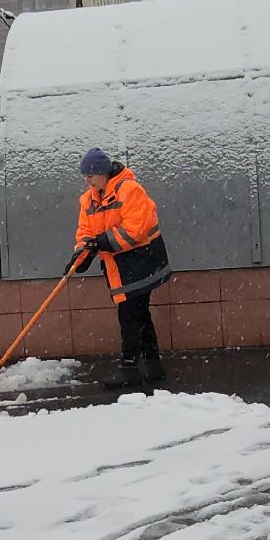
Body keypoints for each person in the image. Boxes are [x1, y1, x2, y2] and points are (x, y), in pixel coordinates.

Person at [71, 147, 173, 389]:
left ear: (104, 172)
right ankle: (152, 362)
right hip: (119, 263)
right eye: (85, 177)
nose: (87, 181)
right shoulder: (89, 199)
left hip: (141, 259)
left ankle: (129, 367)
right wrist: (82, 253)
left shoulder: (129, 190)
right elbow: (85, 230)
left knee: (129, 312)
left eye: (91, 176)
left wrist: (102, 242)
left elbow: (135, 229)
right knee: (138, 311)